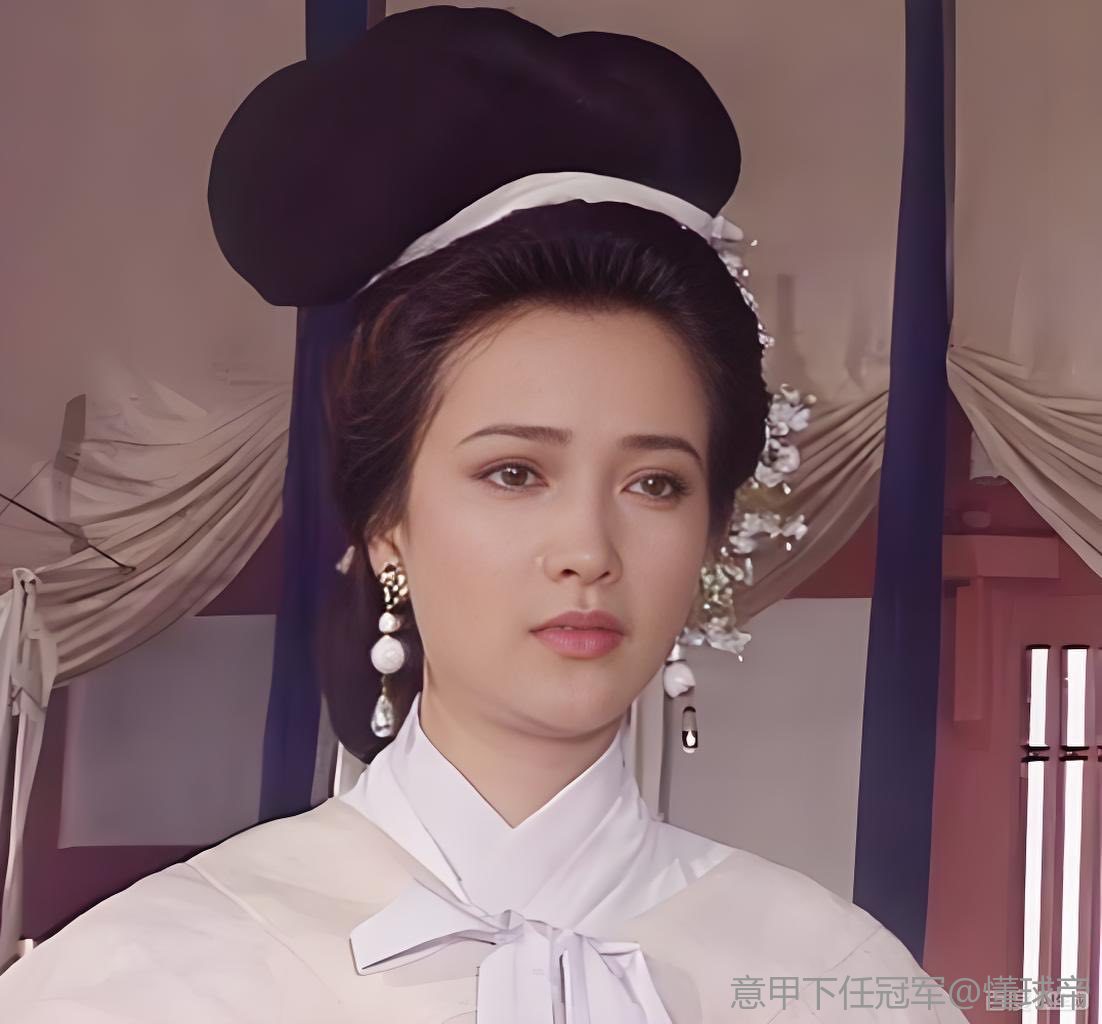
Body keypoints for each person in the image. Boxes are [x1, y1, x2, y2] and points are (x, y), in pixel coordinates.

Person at [0, 7, 969, 1022]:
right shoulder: (154, 975)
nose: (588, 549)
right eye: (514, 473)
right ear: (386, 522)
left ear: (712, 533)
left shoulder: (833, 980)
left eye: (655, 483)